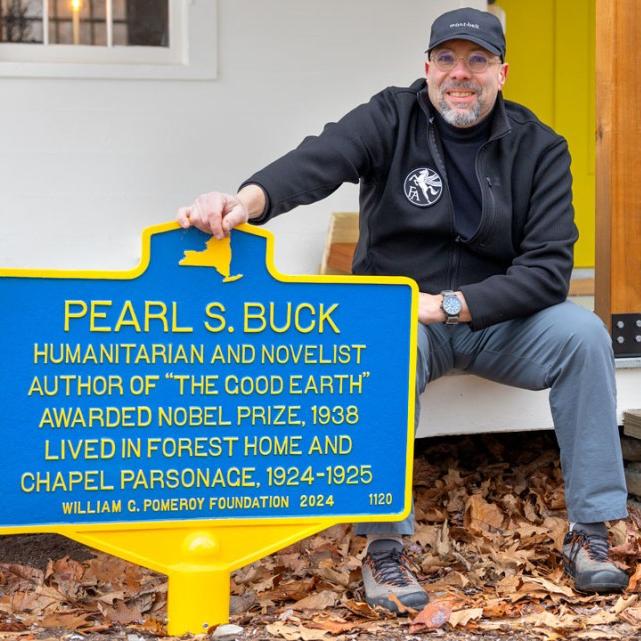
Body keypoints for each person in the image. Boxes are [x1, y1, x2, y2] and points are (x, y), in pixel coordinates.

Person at [177, 7, 629, 613]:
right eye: (447, 59)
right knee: (386, 349)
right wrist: (245, 200)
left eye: (477, 60)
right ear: (427, 67)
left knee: (584, 336)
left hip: (497, 320)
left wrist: (449, 306)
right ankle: (385, 550)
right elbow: (319, 159)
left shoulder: (541, 147)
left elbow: (548, 271)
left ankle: (592, 535)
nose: (459, 74)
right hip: (401, 321)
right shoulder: (391, 115)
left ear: (503, 72)